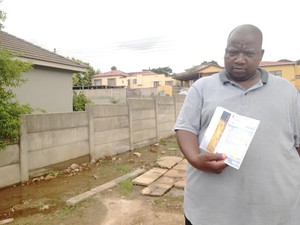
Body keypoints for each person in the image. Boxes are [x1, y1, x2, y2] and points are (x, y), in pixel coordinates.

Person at [174, 24, 300, 225]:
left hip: (276, 213)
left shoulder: (288, 91)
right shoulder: (202, 87)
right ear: (225, 52)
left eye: (249, 53)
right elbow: (185, 128)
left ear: (261, 54)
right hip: (210, 212)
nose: (239, 59)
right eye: (232, 52)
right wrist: (194, 158)